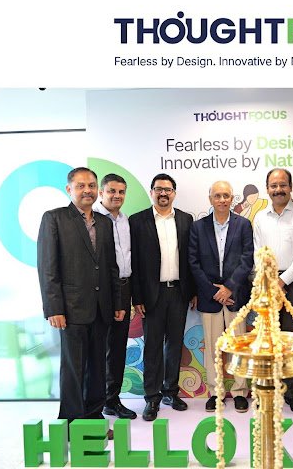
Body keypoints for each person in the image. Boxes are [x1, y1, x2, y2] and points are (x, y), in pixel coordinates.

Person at [37, 167, 123, 438]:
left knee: (97, 368)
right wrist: (54, 308)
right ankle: (71, 424)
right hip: (70, 309)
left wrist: (118, 303)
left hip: (101, 308)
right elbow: (47, 267)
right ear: (69, 189)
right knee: (73, 369)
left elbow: (111, 267)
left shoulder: (105, 222)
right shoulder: (54, 218)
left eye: (92, 185)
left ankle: (94, 420)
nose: (87, 190)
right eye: (81, 185)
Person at [129, 173, 196, 421]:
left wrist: (193, 291)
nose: (163, 193)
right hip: (151, 295)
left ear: (174, 193)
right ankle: (151, 397)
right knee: (153, 347)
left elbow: (191, 258)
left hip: (179, 292)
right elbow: (134, 263)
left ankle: (170, 392)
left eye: (167, 189)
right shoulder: (138, 221)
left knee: (175, 345)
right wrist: (137, 298)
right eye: (158, 189)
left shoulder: (186, 219)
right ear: (152, 192)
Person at [253, 168, 293, 413]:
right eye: (273, 185)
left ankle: (291, 394)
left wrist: (282, 281)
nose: (278, 189)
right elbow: (258, 253)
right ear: (267, 189)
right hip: (267, 283)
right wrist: (269, 280)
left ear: (290, 187)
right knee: (267, 340)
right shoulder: (260, 218)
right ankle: (267, 391)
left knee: (290, 340)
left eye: (282, 185)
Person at [188, 181, 254, 413]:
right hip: (210, 298)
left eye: (226, 195)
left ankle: (239, 392)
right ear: (211, 199)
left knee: (239, 347)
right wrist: (214, 291)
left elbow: (247, 258)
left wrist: (229, 288)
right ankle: (215, 392)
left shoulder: (243, 225)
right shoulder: (198, 227)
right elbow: (193, 262)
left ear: (232, 199)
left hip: (236, 296)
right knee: (213, 348)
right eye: (217, 195)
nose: (222, 200)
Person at [94, 173, 137, 420]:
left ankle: (112, 400)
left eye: (121, 192)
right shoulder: (93, 220)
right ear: (101, 193)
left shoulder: (125, 220)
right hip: (101, 290)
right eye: (111, 191)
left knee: (118, 348)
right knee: (100, 349)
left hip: (124, 287)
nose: (116, 196)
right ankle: (96, 402)